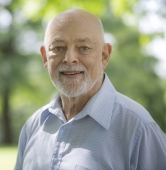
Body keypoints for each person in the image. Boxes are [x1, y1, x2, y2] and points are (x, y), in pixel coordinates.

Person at [14, 8, 166, 170]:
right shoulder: (33, 126)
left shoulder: (139, 128)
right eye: (58, 48)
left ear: (104, 55)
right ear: (45, 57)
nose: (69, 59)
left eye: (84, 48)